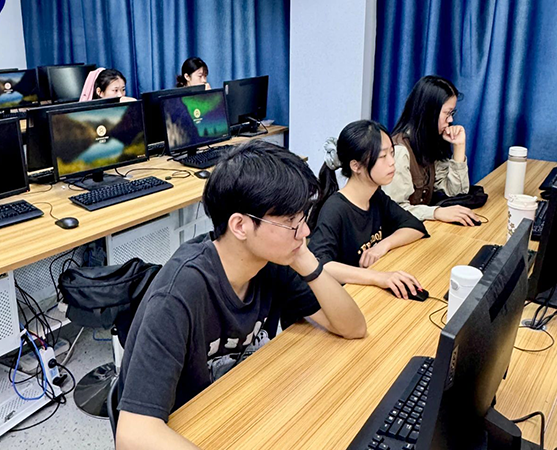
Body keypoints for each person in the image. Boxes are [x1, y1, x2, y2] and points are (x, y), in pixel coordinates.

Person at [116, 141, 367, 449]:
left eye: (303, 218)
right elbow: (132, 434)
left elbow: (353, 327)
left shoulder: (274, 260)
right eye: (291, 222)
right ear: (240, 226)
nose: (304, 232)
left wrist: (306, 261)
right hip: (189, 430)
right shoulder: (179, 294)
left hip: (242, 405)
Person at [308, 120, 428, 299]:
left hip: (367, 291)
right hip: (345, 297)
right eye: (382, 156)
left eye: (392, 153)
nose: (392, 162)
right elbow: (319, 264)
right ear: (356, 166)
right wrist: (377, 277)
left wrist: (382, 246)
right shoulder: (335, 209)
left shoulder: (376, 196)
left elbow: (415, 226)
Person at [382, 75, 479, 226]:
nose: (451, 120)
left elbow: (457, 193)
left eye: (452, 113)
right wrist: (436, 212)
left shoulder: (428, 143)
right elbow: (394, 210)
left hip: (416, 228)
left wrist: (459, 146)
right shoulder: (399, 152)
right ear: (429, 112)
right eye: (447, 113)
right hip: (398, 232)